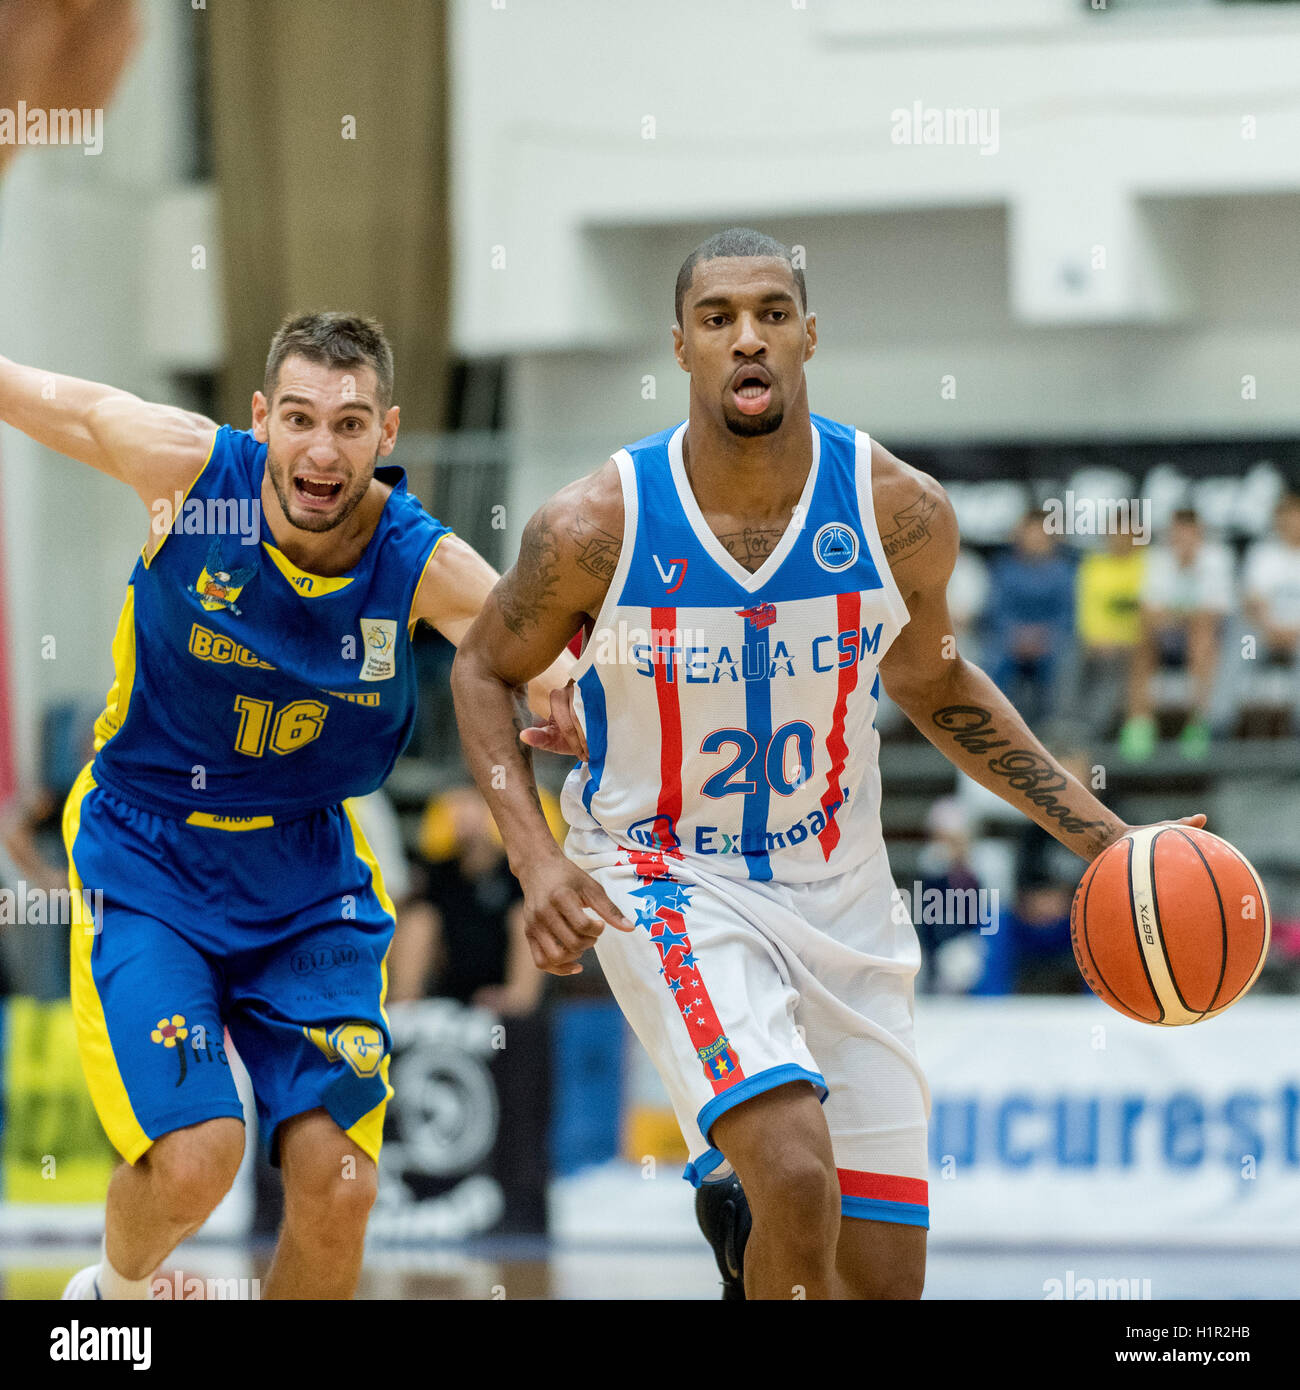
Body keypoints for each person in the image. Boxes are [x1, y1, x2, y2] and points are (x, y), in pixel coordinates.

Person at [450, 227, 1204, 1301]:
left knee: (879, 1282)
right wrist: (535, 857)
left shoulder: (897, 512)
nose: (746, 339)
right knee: (797, 1175)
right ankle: (753, 1199)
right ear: (680, 346)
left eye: (770, 314)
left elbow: (936, 684)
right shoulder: (594, 526)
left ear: (810, 335)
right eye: (718, 319)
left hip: (845, 896)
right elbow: (480, 669)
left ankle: (744, 1239)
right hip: (665, 876)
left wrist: (1113, 841)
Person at [0, 312, 572, 1299]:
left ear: (386, 435)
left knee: (341, 1184)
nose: (320, 448)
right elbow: (36, 394)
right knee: (197, 1153)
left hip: (306, 873)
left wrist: (572, 679)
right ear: (262, 417)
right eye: (299, 418)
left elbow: (540, 645)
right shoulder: (187, 469)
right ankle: (113, 1295)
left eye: (349, 425)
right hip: (149, 853)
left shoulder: (415, 561)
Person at [1120, 507, 1234, 761]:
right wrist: (1181, 616)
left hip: (1203, 638)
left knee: (1202, 636)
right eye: (1177, 535)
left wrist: (1178, 614)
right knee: (1142, 638)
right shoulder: (1156, 559)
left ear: (1198, 534)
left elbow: (1215, 614)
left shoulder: (1218, 558)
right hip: (1165, 635)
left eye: (1188, 535)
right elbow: (1149, 611)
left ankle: (1197, 724)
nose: (1182, 541)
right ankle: (1139, 724)